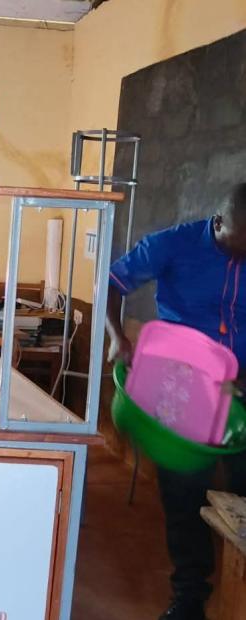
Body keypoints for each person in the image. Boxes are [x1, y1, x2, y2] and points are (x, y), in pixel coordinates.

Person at [106, 182, 246, 620]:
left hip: (241, 388)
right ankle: (190, 594)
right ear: (219, 223)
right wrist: (118, 338)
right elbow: (112, 281)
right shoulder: (173, 244)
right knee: (185, 489)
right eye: (237, 247)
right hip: (184, 387)